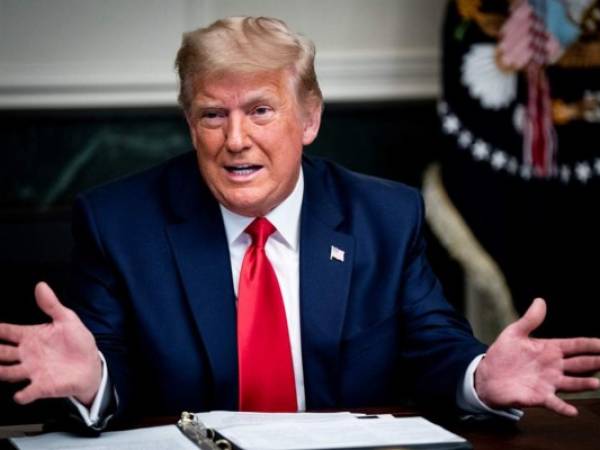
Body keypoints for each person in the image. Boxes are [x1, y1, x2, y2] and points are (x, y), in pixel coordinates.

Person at [1, 16, 600, 431]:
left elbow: (432, 346)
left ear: (309, 119)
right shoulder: (119, 223)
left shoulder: (383, 217)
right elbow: (110, 365)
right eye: (213, 114)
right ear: (189, 123)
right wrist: (92, 379)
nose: (236, 140)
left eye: (261, 110)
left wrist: (479, 377)